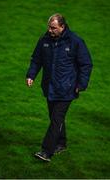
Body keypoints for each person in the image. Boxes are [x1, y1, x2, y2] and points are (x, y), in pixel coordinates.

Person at [26, 13, 93, 162]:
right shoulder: (44, 41)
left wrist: (81, 84)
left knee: (56, 119)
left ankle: (46, 151)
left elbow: (86, 64)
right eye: (49, 27)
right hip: (49, 88)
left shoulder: (75, 41)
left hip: (67, 89)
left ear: (62, 27)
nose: (50, 30)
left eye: (53, 28)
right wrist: (31, 75)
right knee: (56, 118)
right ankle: (61, 143)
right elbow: (36, 60)